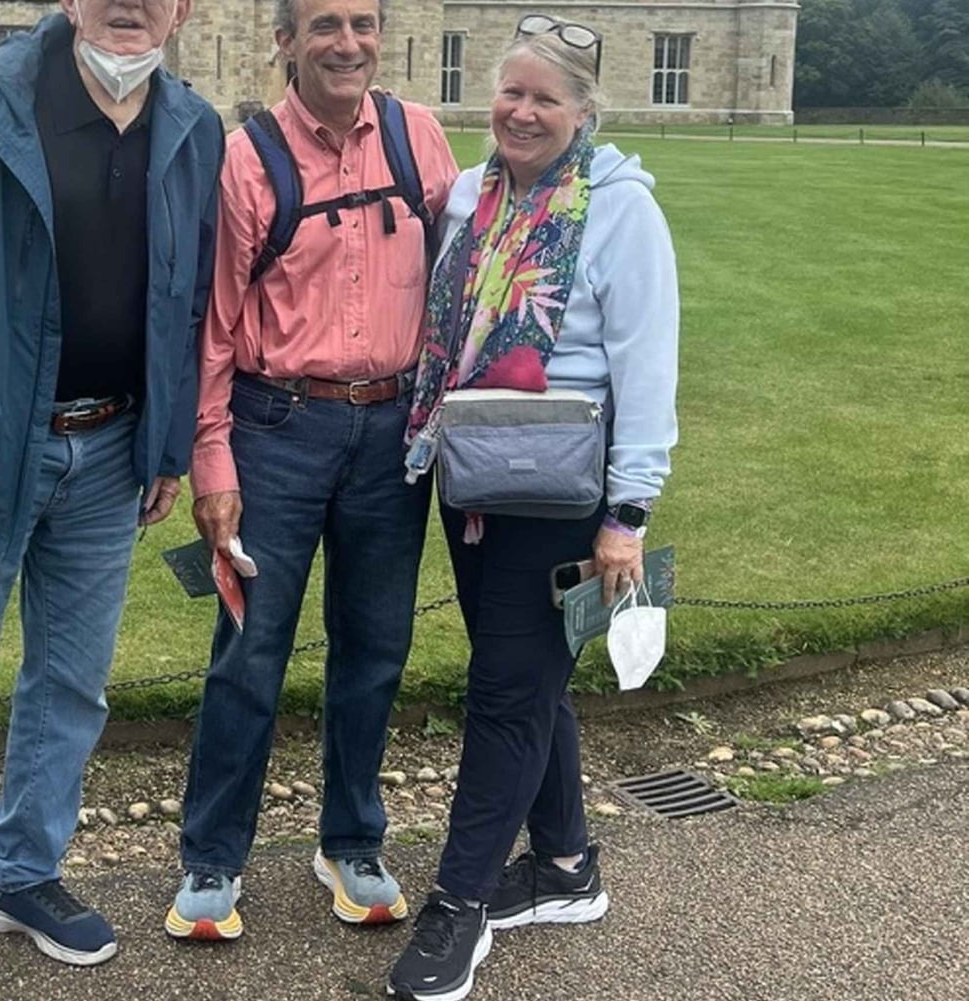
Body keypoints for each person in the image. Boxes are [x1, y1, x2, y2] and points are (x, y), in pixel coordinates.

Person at [0, 3, 222, 997]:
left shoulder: (194, 126)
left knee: (71, 686)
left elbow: (184, 295)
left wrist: (164, 440)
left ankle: (20, 874)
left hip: (109, 450)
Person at [384, 15, 679, 1001]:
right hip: (472, 480)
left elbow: (648, 370)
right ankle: (565, 865)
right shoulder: (470, 194)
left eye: (545, 98)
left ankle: (458, 905)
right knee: (526, 679)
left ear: (584, 111)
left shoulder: (621, 210)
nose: (521, 111)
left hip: (561, 493)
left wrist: (626, 517)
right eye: (511, 92)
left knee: (506, 695)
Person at [165, 0, 460, 942]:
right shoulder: (247, 158)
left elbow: (466, 279)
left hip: (393, 433)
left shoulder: (418, 138)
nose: (348, 43)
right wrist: (212, 460)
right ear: (285, 41)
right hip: (276, 429)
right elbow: (214, 325)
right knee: (250, 651)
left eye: (363, 23)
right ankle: (214, 856)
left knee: (375, 647)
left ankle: (353, 841)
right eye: (325, 24)